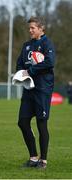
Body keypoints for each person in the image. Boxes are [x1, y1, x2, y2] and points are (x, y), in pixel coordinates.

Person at [16, 16, 55, 169]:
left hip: (42, 90)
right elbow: (19, 64)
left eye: (33, 28)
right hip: (28, 90)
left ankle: (43, 161)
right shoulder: (26, 45)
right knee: (22, 122)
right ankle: (33, 157)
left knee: (41, 123)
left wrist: (30, 71)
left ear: (41, 28)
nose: (30, 30)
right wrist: (20, 74)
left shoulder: (47, 43)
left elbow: (50, 62)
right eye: (29, 28)